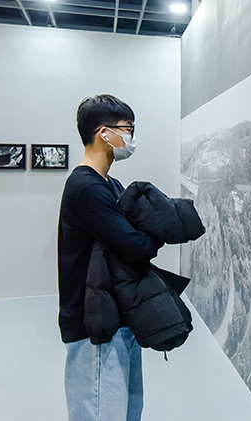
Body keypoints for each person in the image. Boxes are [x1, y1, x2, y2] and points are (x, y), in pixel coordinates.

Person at [58, 94, 160, 421]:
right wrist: (156, 230)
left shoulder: (110, 183)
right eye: (127, 129)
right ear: (104, 133)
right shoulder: (86, 187)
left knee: (128, 412)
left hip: (118, 317)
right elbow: (137, 245)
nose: (130, 138)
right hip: (95, 325)